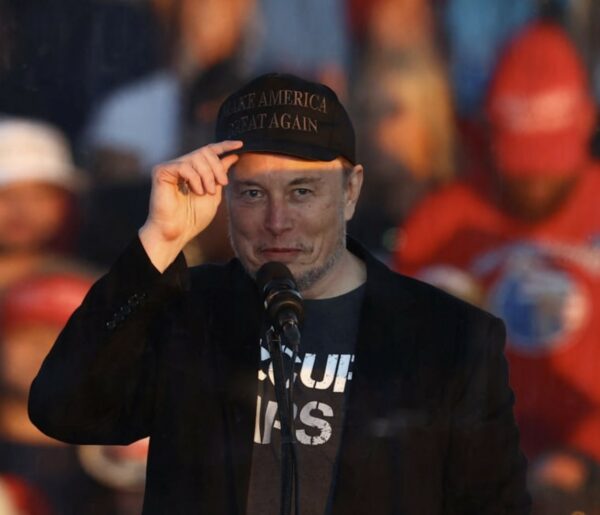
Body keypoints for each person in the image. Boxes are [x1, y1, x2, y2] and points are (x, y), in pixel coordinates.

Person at [29, 73, 530, 514]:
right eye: (251, 193)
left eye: (302, 191)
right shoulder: (184, 310)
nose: (276, 222)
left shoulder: (450, 337)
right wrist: (159, 242)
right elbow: (66, 409)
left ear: (351, 191)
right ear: (222, 196)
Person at [394, 21, 600, 468]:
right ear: (490, 133)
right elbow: (397, 372)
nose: (537, 182)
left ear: (586, 123)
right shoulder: (440, 226)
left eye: (550, 159)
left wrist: (583, 458)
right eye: (524, 163)